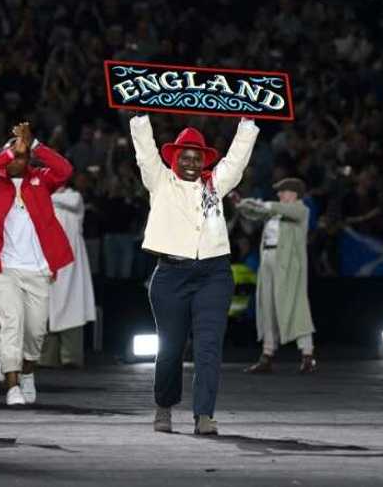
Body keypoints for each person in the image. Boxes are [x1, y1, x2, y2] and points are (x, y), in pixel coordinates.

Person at [130, 114, 259, 436]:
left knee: (208, 347)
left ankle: (204, 415)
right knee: (171, 348)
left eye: (196, 157)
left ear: (203, 161)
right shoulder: (159, 182)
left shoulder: (215, 183)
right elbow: (145, 152)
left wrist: (246, 124)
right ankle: (164, 406)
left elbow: (237, 159)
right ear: (173, 158)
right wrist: (140, 119)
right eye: (184, 156)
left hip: (213, 273)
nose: (190, 162)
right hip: (170, 275)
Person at [0, 122, 74, 406]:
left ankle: (28, 372)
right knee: (11, 326)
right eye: (14, 156)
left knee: (35, 331)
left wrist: (35, 145)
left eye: (23, 157)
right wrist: (8, 153)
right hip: (5, 269)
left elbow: (65, 171)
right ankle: (13, 386)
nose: (19, 161)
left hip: (39, 269)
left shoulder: (40, 179)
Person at [238, 177, 317, 374]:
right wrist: (241, 204)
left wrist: (262, 204)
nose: (280, 194)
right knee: (267, 307)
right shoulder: (274, 212)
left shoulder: (301, 209)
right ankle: (267, 355)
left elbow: (279, 209)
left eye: (283, 191)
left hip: (288, 264)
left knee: (296, 307)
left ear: (294, 193)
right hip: (268, 260)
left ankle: (307, 355)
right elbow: (253, 213)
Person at [43, 171, 97, 369]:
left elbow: (71, 201)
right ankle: (47, 358)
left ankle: (71, 357)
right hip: (49, 261)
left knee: (72, 307)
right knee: (47, 309)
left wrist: (41, 193)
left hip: (72, 266)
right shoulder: (44, 200)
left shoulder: (74, 197)